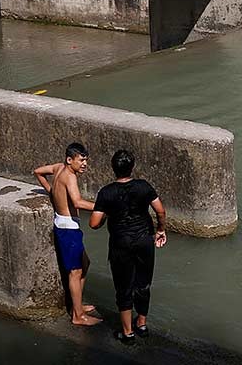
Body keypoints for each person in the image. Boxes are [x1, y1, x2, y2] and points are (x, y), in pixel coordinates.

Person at [89, 149, 167, 343]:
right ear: (132, 167)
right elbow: (160, 210)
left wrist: (107, 215)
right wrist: (161, 230)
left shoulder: (106, 192)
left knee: (123, 287)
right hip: (144, 240)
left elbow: (94, 223)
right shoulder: (143, 186)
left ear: (113, 168)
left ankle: (127, 332)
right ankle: (142, 324)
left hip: (120, 243)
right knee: (143, 283)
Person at [33, 143, 102, 327]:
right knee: (75, 272)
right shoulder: (70, 176)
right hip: (67, 228)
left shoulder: (57, 168)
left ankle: (77, 306)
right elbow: (78, 202)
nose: (85, 164)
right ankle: (77, 315)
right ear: (70, 160)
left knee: (84, 263)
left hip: (65, 224)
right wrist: (103, 207)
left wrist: (51, 191)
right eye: (81, 160)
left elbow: (38, 171)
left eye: (86, 160)